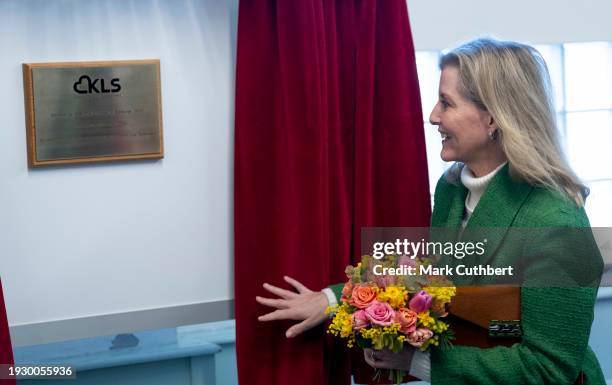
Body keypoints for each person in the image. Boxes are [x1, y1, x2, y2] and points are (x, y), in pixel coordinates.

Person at [257, 38, 606, 384]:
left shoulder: (557, 222)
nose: (433, 116)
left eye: (446, 103)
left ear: (492, 118)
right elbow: (433, 278)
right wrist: (333, 298)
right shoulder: (453, 189)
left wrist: (419, 361)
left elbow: (549, 369)